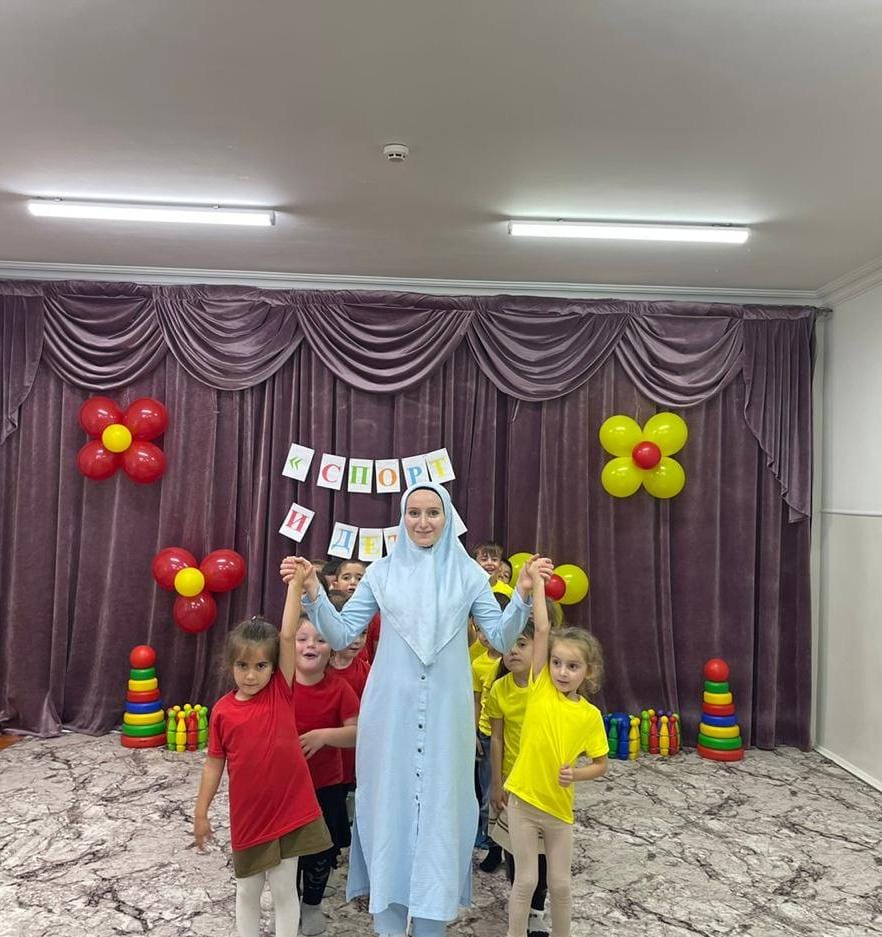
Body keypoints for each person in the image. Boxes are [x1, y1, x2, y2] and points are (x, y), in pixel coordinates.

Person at [281, 482, 552, 937]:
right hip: (391, 714)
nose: (423, 522)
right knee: (388, 806)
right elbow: (344, 634)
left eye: (432, 512)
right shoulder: (382, 574)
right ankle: (388, 924)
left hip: (447, 716)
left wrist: (523, 595)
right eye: (414, 513)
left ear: (447, 518)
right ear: (401, 519)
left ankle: (430, 924)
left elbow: (500, 638)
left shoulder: (468, 576)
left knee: (444, 809)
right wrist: (312, 592)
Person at [192, 568, 331, 937]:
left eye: (260, 666)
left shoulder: (280, 692)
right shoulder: (222, 711)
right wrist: (201, 812)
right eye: (242, 666)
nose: (251, 675)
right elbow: (213, 765)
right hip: (250, 817)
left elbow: (286, 635)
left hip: (290, 810)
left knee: (285, 890)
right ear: (230, 666)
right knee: (247, 891)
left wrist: (295, 586)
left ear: (273, 667)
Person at [504, 575, 609, 937]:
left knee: (561, 885)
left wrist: (576, 775)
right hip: (523, 803)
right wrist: (536, 585)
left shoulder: (590, 716)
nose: (562, 672)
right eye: (557, 663)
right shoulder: (541, 689)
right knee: (526, 881)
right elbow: (543, 628)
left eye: (573, 666)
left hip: (558, 810)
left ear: (588, 672)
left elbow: (600, 764)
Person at [291, 612, 360, 935]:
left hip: (325, 785)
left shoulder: (339, 688)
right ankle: (290, 902)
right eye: (303, 639)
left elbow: (357, 732)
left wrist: (324, 736)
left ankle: (312, 904)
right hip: (287, 787)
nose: (311, 645)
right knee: (288, 854)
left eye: (320, 640)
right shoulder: (280, 686)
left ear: (332, 647)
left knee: (320, 851)